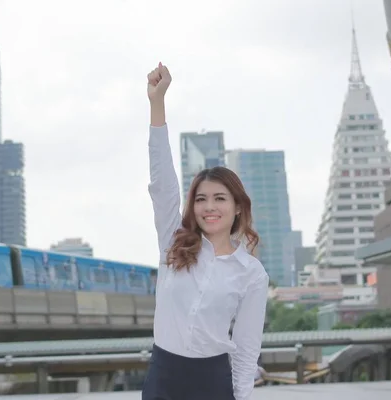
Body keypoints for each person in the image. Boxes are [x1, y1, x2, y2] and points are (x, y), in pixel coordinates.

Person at [142, 62, 269, 400]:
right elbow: (162, 182)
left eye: (219, 199)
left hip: (213, 382)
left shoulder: (251, 274)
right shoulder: (173, 241)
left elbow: (245, 349)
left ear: (237, 206)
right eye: (201, 199)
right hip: (163, 378)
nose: (209, 207)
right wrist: (157, 103)